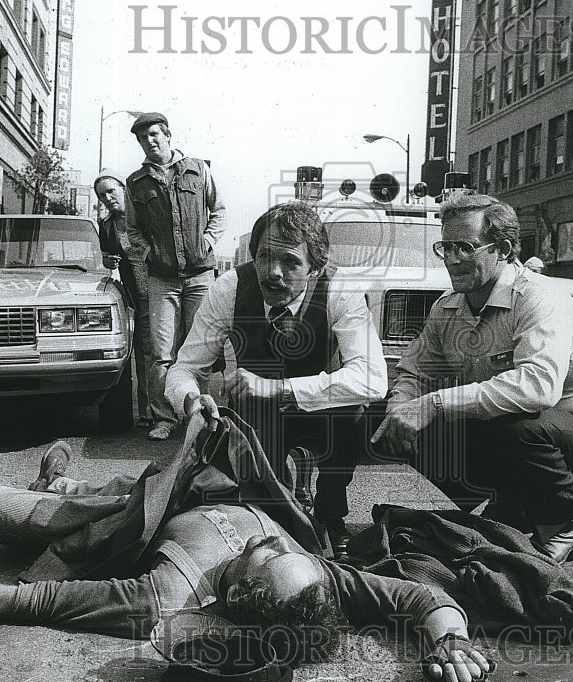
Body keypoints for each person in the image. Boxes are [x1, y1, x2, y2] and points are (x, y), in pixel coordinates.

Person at [0, 436, 490, 682]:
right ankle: (61, 478)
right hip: (170, 477)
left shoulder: (168, 597)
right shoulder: (312, 579)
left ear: (244, 592)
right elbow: (415, 598)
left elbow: (41, 602)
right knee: (117, 482)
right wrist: (453, 641)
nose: (273, 541)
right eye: (288, 546)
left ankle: (56, 486)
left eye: (270, 552)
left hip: (116, 517)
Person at [371, 192, 573, 565]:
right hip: (515, 438)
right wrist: (399, 410)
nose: (452, 258)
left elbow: (537, 387)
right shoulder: (447, 306)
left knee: (522, 424)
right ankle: (510, 504)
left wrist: (434, 404)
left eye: (466, 247)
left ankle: (563, 524)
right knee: (384, 421)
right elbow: (415, 372)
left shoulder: (540, 297)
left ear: (504, 248)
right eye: (446, 246)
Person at [165, 201, 389, 558]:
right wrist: (191, 401)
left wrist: (280, 388)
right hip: (256, 415)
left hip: (322, 411)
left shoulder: (341, 289)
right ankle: (278, 502)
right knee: (263, 512)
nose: (273, 272)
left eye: (290, 262)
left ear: (315, 267)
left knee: (353, 411)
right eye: (264, 257)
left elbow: (374, 379)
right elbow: (185, 368)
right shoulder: (230, 288)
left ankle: (331, 514)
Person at [125, 112, 226, 441]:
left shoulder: (198, 169)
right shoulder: (136, 182)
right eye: (143, 138)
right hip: (162, 279)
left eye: (154, 134)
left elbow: (219, 210)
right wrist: (149, 254)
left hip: (200, 275)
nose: (150, 141)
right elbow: (132, 230)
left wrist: (207, 241)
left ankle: (198, 413)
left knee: (200, 349)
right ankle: (165, 418)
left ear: (168, 134)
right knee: (162, 352)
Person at [94, 170, 152, 428]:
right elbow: (105, 255)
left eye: (111, 191)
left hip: (159, 289)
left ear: (124, 188)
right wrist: (106, 260)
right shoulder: (107, 225)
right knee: (142, 351)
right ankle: (149, 412)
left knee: (162, 351)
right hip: (133, 296)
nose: (107, 198)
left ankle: (173, 409)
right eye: (101, 195)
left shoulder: (145, 214)